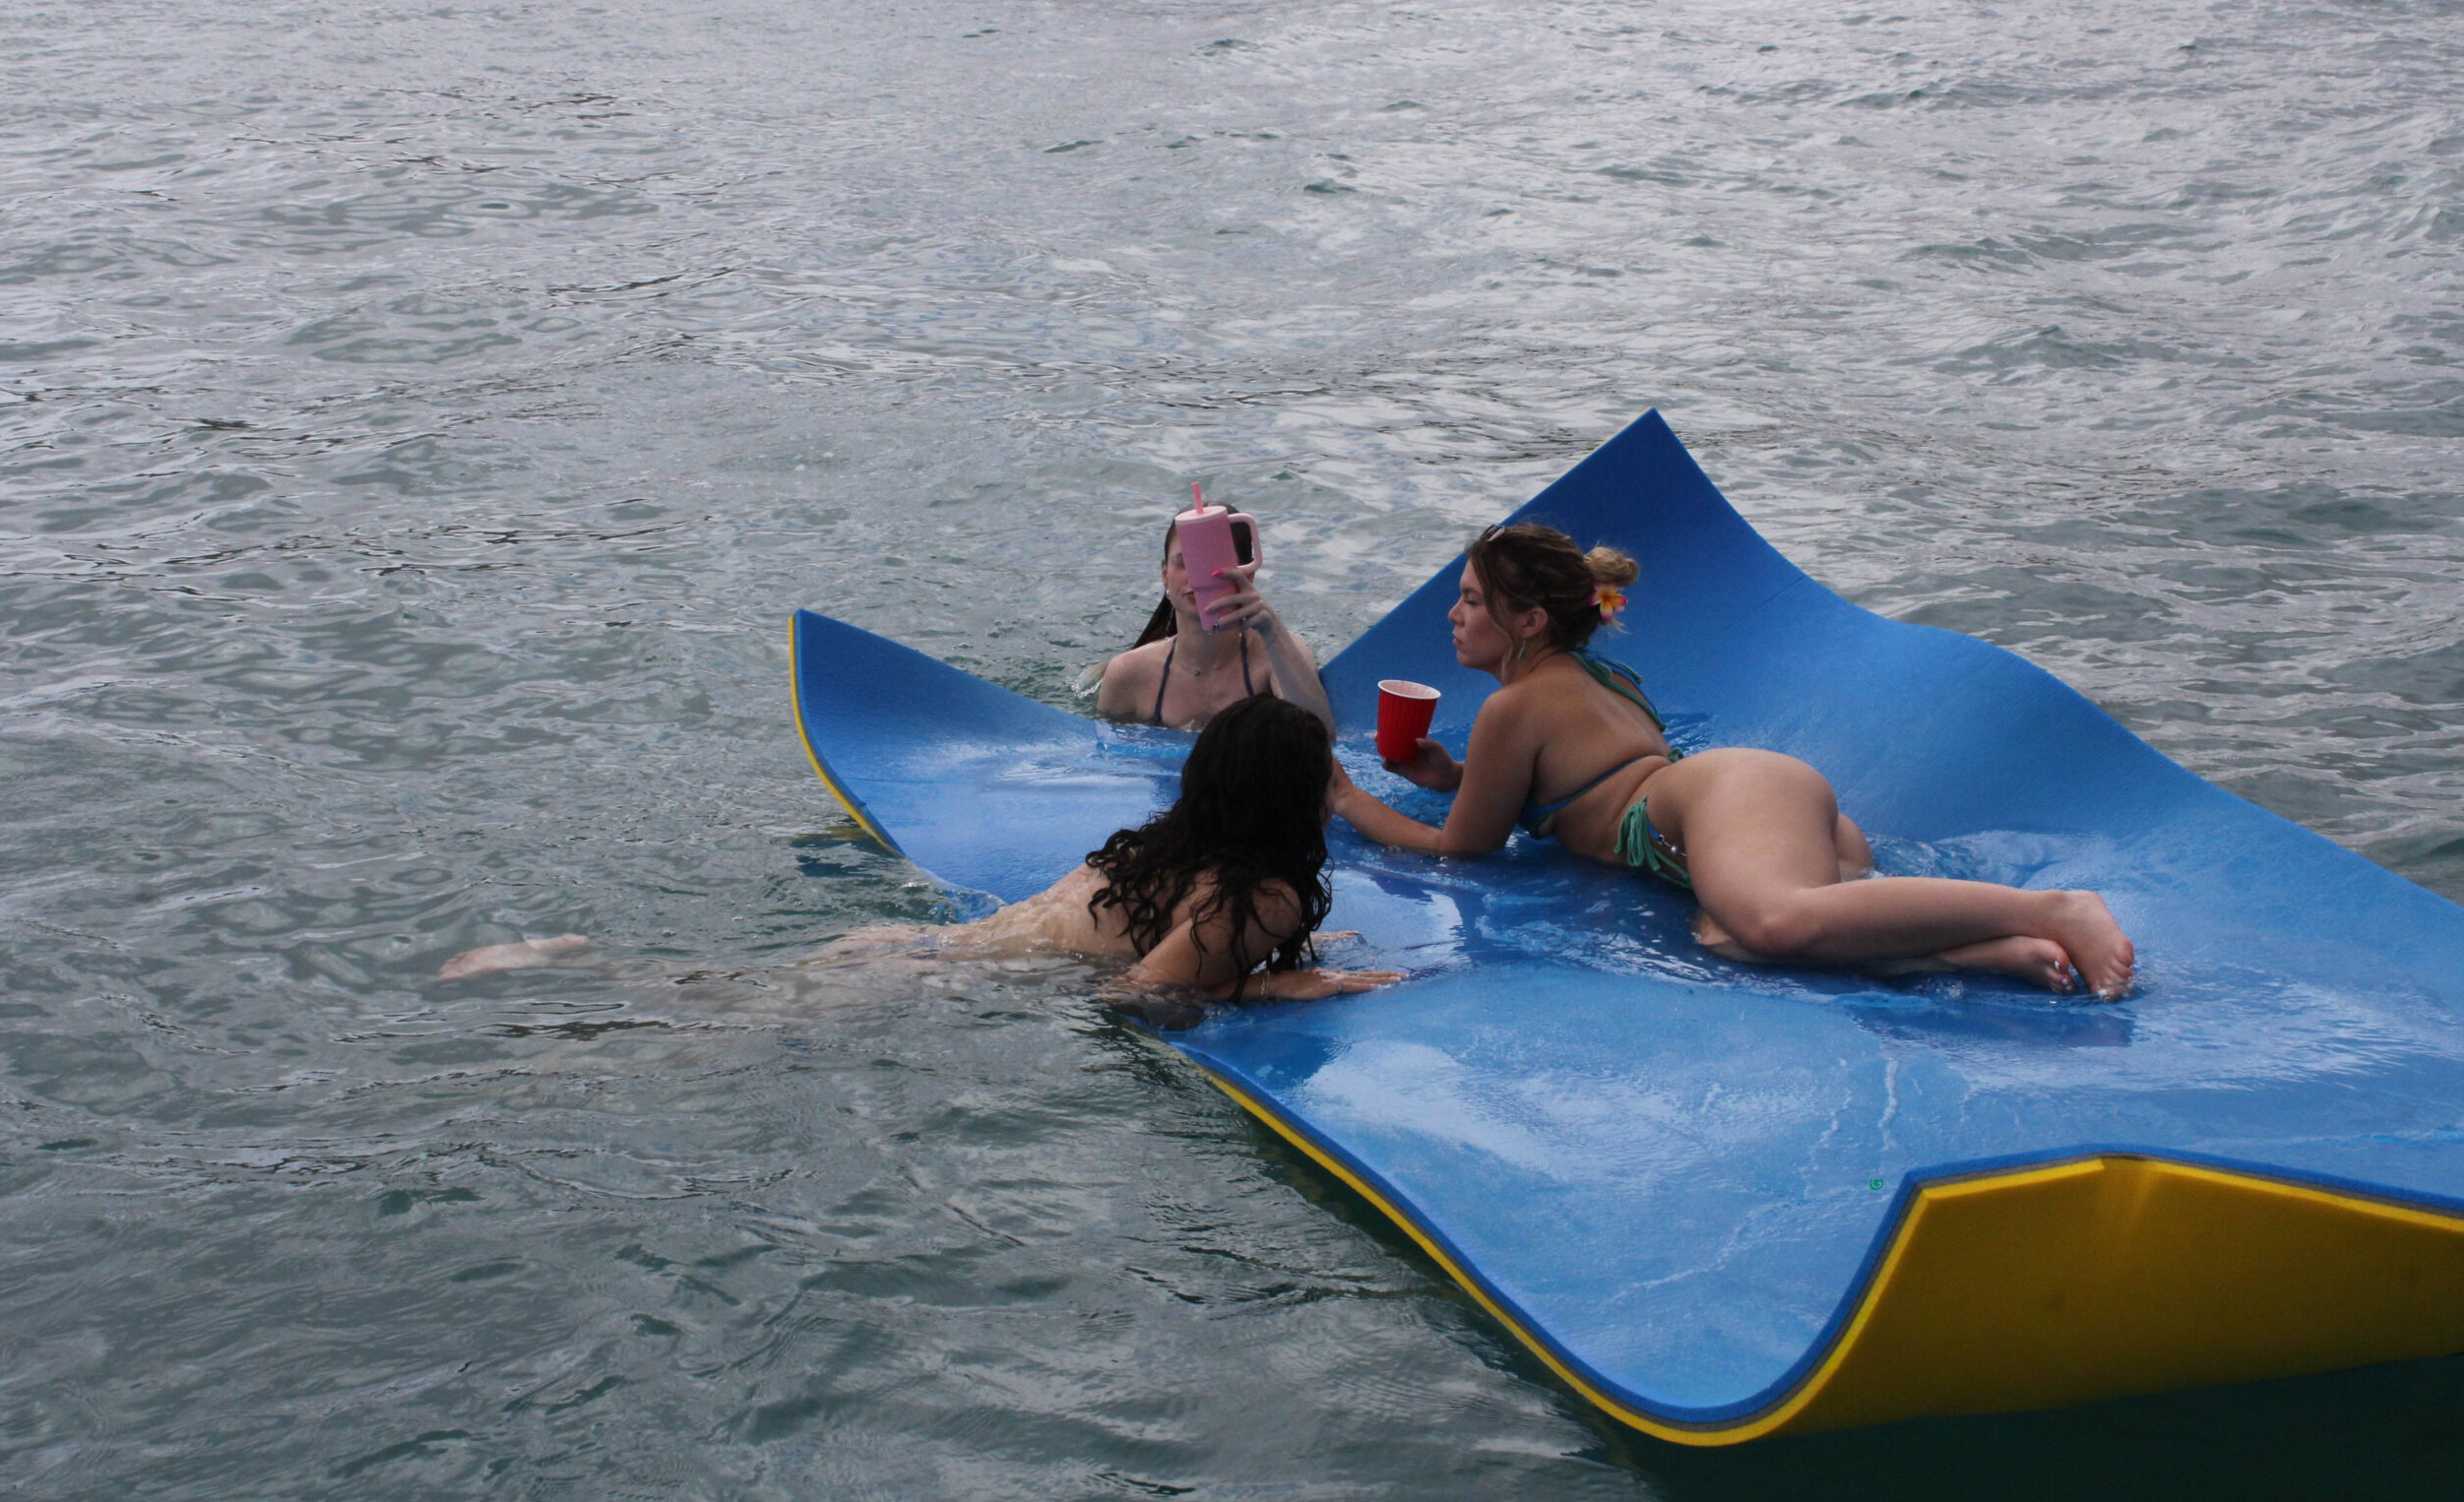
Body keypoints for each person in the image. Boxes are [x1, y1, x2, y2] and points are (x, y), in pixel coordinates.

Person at [1325, 524, 2137, 1000]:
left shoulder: (1511, 706)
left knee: (1774, 919)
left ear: (1530, 621)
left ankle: (2054, 910)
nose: (1452, 614)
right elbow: (1556, 788)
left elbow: (1466, 848)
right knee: (1733, 937)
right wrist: (1454, 779)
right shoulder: (1593, 680)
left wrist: (1347, 796)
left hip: (1719, 800)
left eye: (1470, 599)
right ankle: (1985, 950)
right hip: (1748, 803)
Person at [445, 697, 1400, 1005]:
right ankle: (522, 1049)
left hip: (899, 948)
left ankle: (571, 963)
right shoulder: (1259, 893)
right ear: (1287, 795)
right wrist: (1284, 985)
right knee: (676, 1054)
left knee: (725, 991)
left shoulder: (1163, 848)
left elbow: (1157, 948)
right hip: (924, 990)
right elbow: (1138, 997)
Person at [1094, 513, 1335, 733]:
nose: (1198, 578)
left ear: (1247, 574)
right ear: (1165, 575)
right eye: (1184, 563)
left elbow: (1320, 738)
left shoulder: (1280, 654)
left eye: (1213, 562)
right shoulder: (1128, 673)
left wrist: (1272, 632)